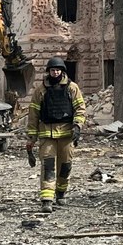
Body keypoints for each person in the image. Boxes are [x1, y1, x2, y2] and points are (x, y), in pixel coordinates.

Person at [25, 57, 86, 212]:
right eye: (53, 70)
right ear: (49, 71)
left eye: (58, 70)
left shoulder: (72, 88)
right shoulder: (41, 90)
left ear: (62, 71)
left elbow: (80, 108)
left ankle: (60, 193)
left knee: (65, 166)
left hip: (66, 135)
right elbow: (33, 114)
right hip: (47, 135)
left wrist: (77, 126)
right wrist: (32, 137)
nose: (55, 72)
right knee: (48, 167)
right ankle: (47, 199)